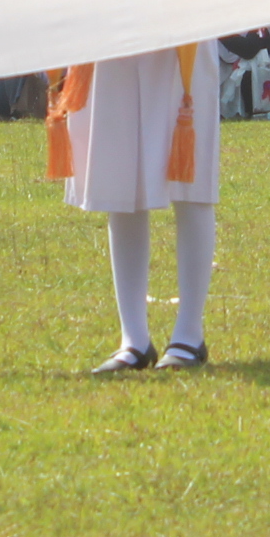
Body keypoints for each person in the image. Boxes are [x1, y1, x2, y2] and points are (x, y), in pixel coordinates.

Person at [49, 43, 227, 374]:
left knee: (191, 184)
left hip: (180, 32)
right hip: (113, 34)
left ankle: (189, 333)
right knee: (119, 182)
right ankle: (133, 339)